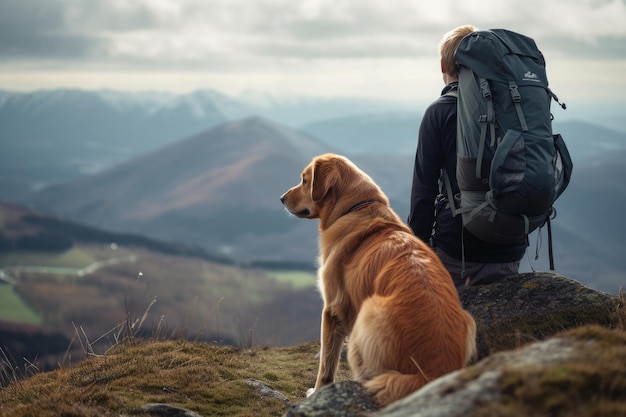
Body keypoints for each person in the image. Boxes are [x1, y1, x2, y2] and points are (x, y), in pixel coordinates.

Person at [407, 25, 526, 289]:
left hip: (457, 253)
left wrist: (416, 254)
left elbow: (424, 191)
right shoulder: (510, 108)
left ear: (442, 65)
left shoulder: (439, 112)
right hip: (510, 247)